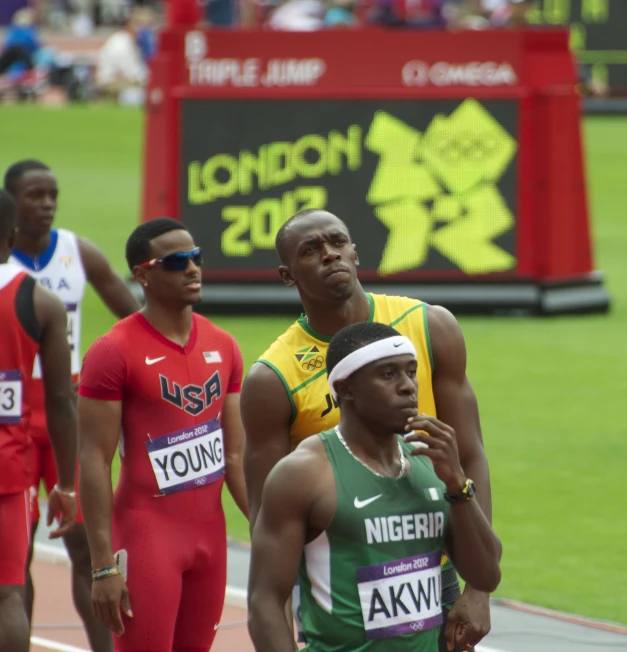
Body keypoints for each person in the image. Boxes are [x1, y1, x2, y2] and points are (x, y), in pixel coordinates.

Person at [241, 209, 493, 651]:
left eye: (338, 242)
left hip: (436, 571)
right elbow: (266, 515)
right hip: (340, 583)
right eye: (311, 250)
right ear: (287, 275)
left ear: (356, 252)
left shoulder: (430, 327)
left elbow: (468, 456)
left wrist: (479, 592)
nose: (329, 254)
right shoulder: (272, 378)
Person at [77, 217, 248, 651]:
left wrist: (267, 531)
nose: (193, 269)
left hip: (211, 536)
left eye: (196, 258)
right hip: (147, 535)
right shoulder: (113, 351)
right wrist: (102, 566)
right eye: (176, 262)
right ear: (143, 275)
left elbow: (236, 457)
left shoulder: (224, 345)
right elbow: (94, 459)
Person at [5, 159, 139, 652]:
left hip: (69, 413)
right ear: (10, 203)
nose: (47, 204)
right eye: (34, 195)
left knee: (86, 545)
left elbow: (135, 317)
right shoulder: (3, 266)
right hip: (15, 417)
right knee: (16, 555)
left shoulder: (77, 252)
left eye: (53, 194)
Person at [0, 189, 77, 652]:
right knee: (8, 593)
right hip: (6, 471)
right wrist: (66, 483)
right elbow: (62, 399)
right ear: (12, 234)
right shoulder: (40, 300)